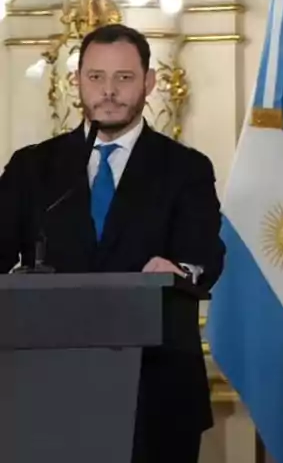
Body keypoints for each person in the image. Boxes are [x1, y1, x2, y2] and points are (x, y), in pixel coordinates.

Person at [0, 23, 225, 463]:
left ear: (149, 82)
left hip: (156, 387)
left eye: (123, 78)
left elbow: (204, 253)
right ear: (76, 82)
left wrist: (181, 270)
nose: (109, 91)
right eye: (96, 77)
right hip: (47, 385)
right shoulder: (32, 168)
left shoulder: (185, 168)